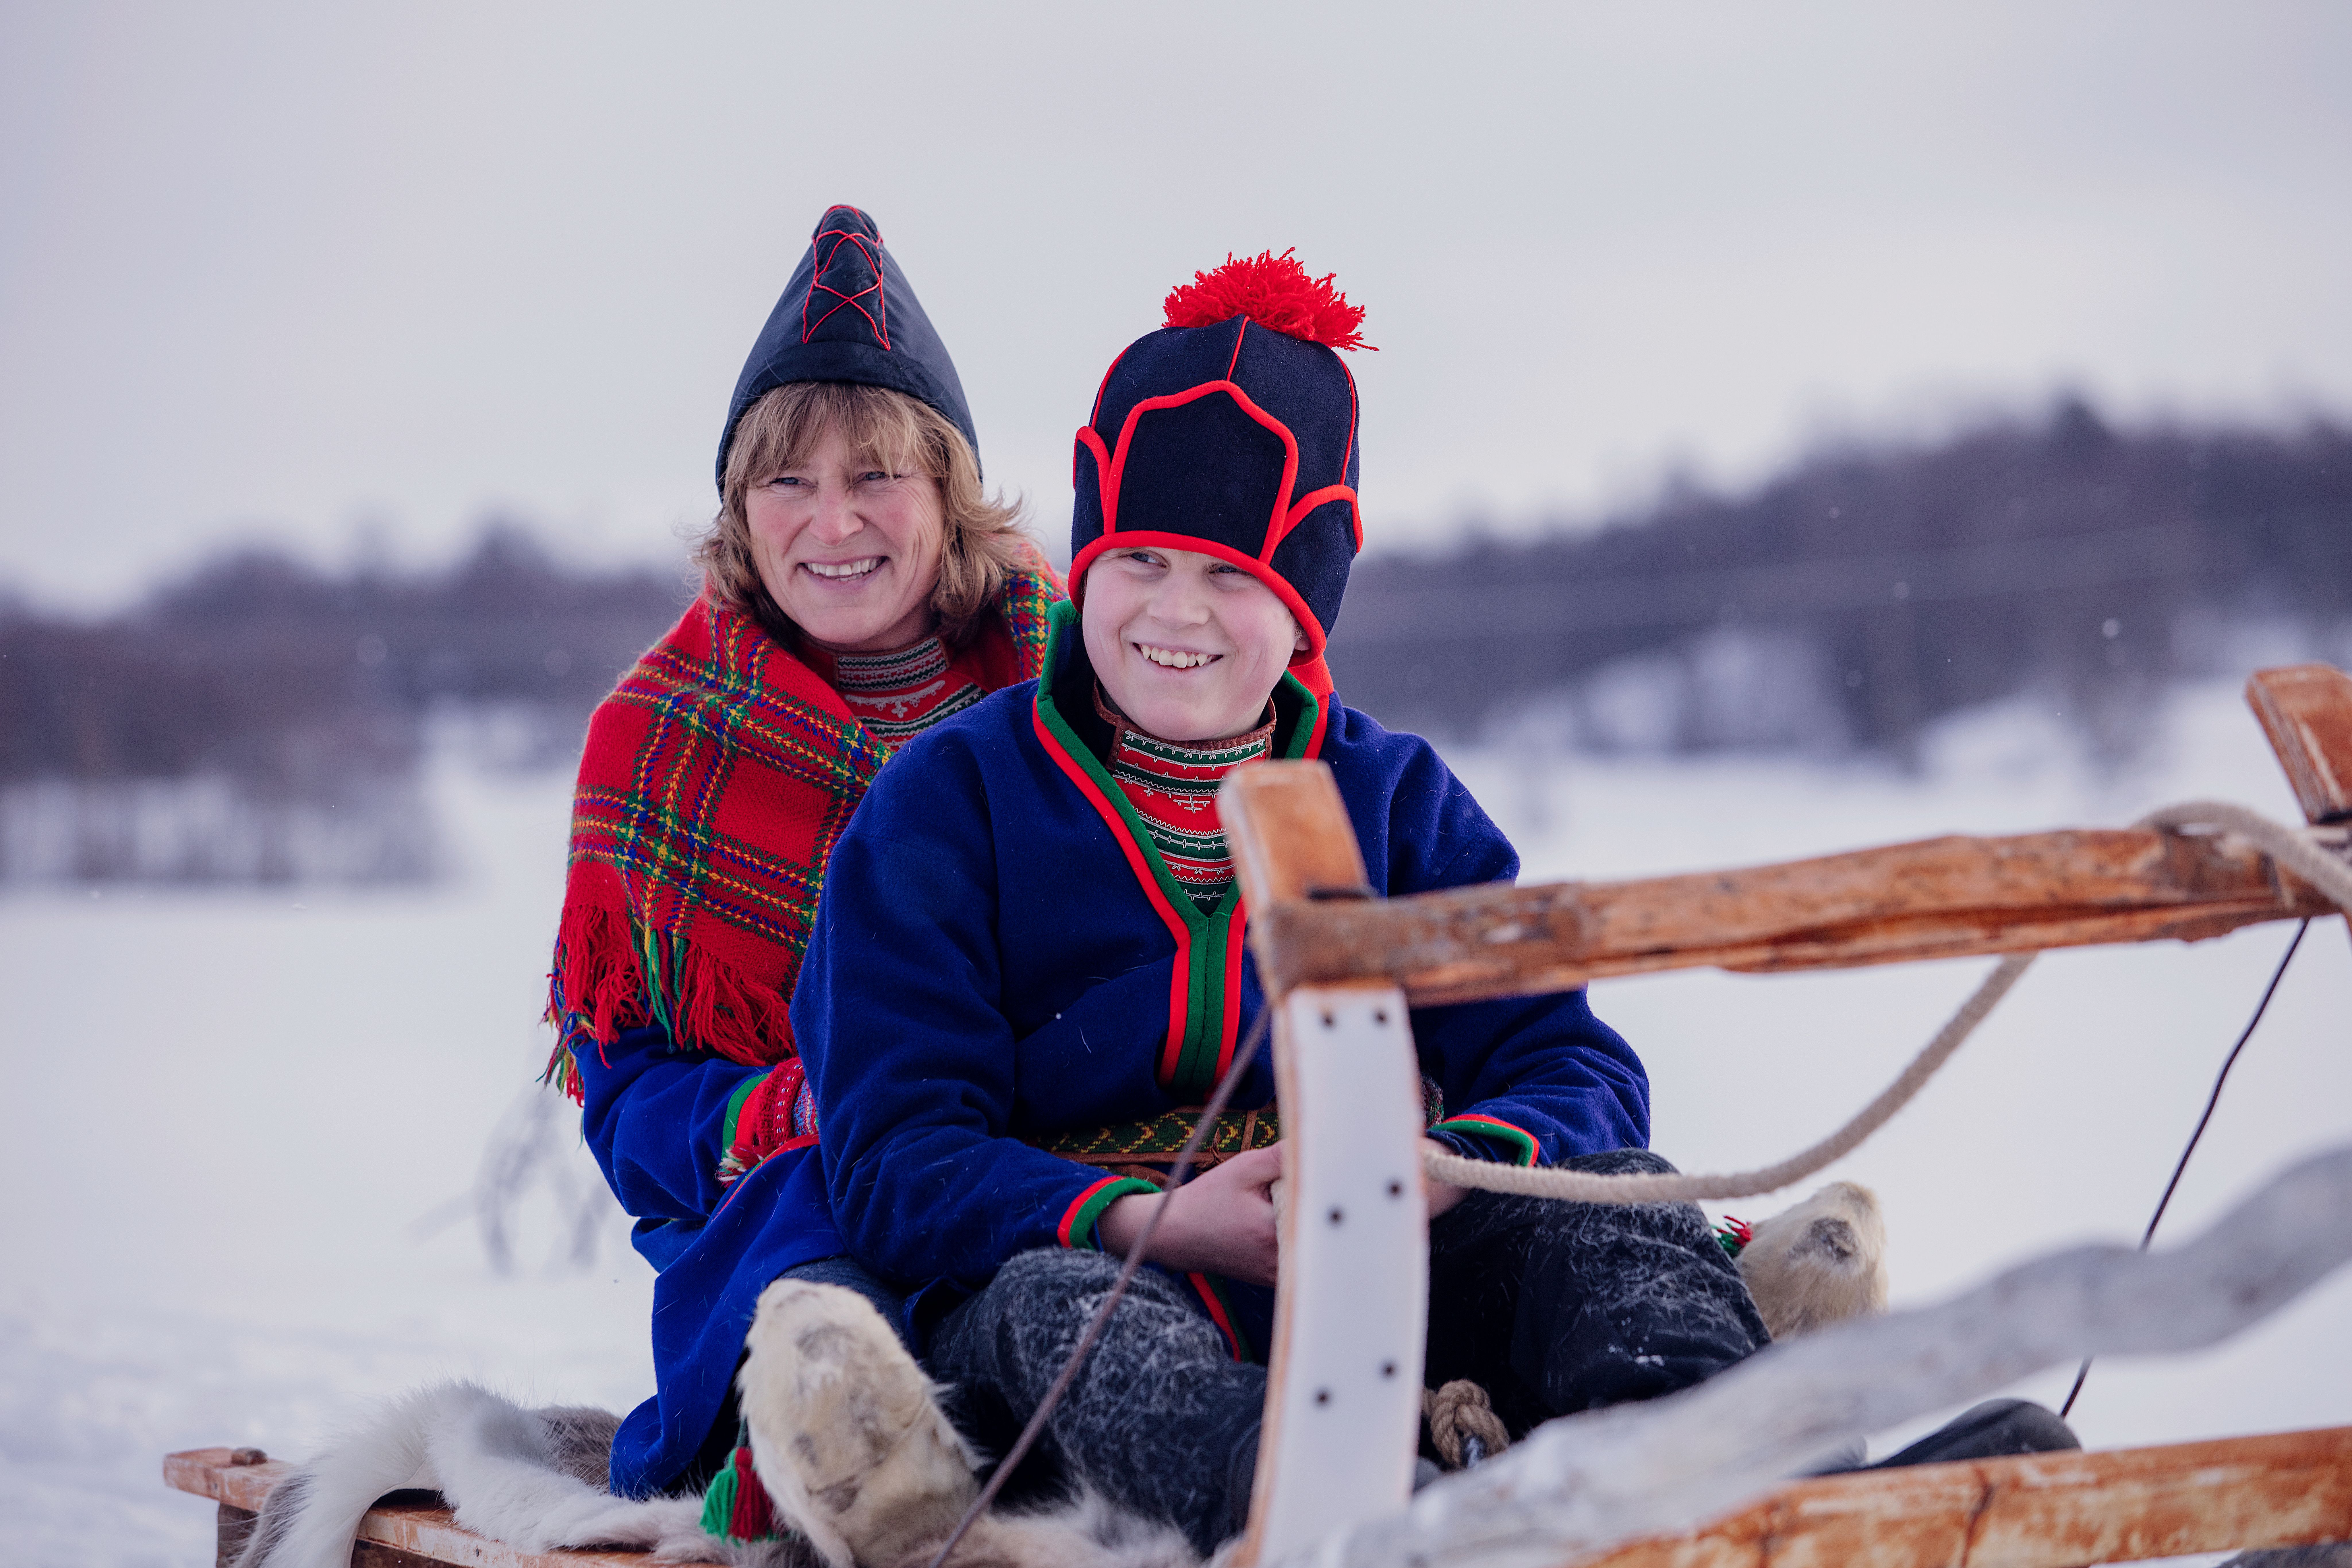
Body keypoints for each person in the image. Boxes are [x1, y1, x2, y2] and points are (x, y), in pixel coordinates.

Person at [778, 250, 2081, 1559]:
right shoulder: (946, 804)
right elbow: (896, 1157)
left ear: (1305, 608)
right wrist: (1158, 1216)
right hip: (1098, 1285)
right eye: (1142, 560)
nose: (1177, 611)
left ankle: (1738, 1484)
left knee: (1605, 1191)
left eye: (1233, 576)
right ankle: (1322, 1516)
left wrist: (1434, 1181)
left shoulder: (1395, 800)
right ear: (1088, 557)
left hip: (1389, 1268)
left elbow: (1566, 1062)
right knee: (1059, 1304)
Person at [543, 204, 1061, 1506]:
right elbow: (627, 1104)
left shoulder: (1072, 684)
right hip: (792, 1217)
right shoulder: (656, 737)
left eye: (875, 474)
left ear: (948, 491)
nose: (833, 521)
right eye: (788, 480)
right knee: (830, 1235)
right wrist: (777, 1114)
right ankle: (833, 1462)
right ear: (739, 507)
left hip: (1057, 1174)